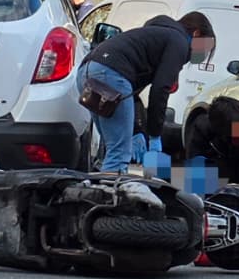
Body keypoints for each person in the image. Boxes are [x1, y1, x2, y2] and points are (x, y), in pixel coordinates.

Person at [82, 11, 215, 173]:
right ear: (196, 34)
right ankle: (106, 196)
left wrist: (137, 130)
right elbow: (160, 89)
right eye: (205, 48)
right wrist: (154, 136)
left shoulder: (157, 33)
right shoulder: (179, 42)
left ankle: (97, 188)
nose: (202, 55)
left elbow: (133, 91)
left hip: (88, 70)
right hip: (111, 75)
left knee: (110, 147)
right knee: (119, 153)